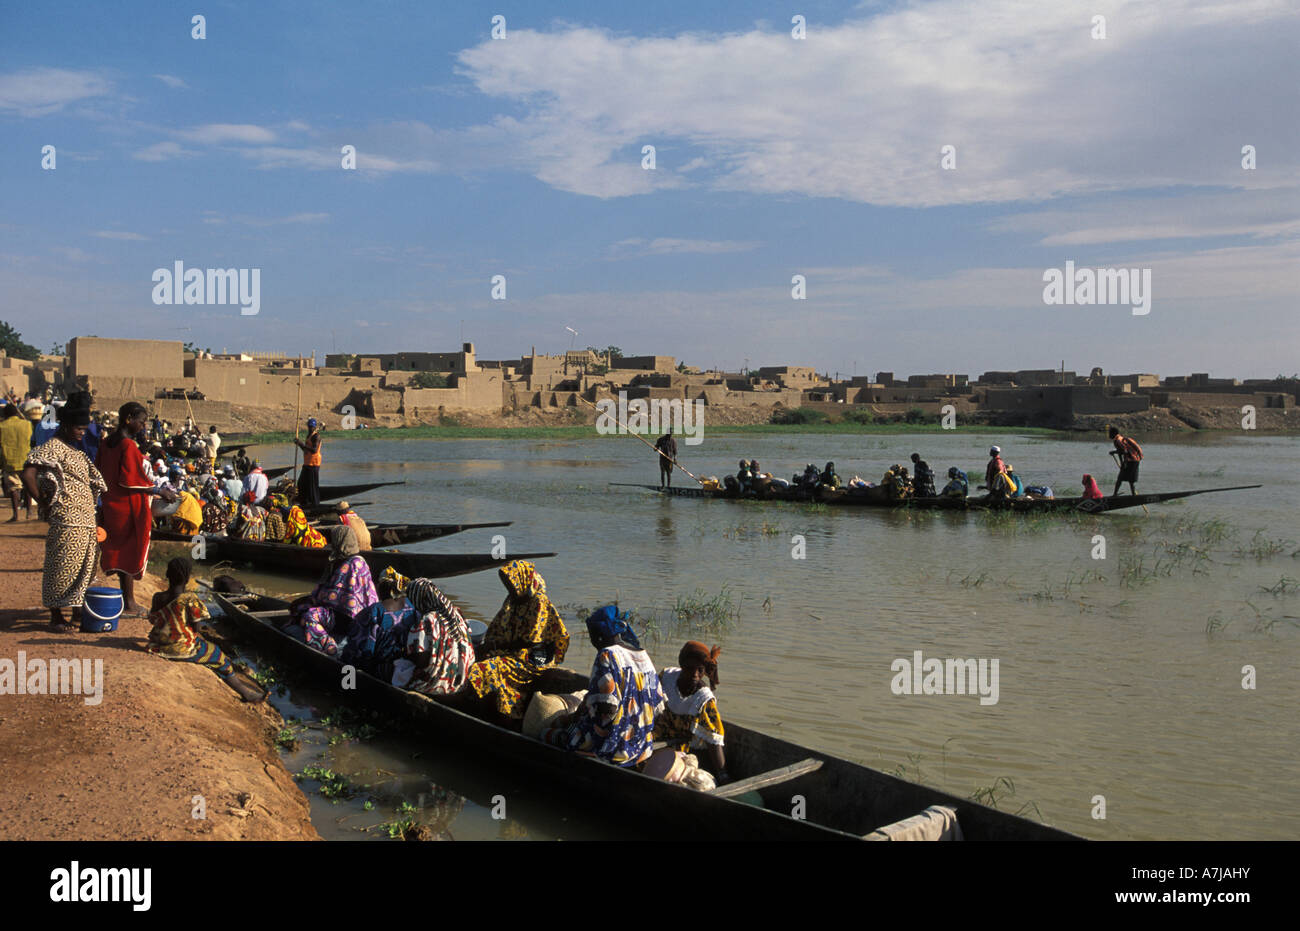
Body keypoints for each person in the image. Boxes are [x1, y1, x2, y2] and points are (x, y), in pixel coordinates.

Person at [20, 393, 107, 631]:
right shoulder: (51, 448)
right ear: (67, 426)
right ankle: (57, 615)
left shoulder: (74, 450)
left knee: (85, 567)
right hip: (67, 519)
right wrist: (44, 502)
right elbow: (27, 474)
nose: (82, 432)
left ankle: (78, 613)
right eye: (79, 428)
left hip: (86, 519)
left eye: (84, 428)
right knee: (60, 566)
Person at [549, 606, 664, 768]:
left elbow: (606, 710)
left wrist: (578, 717)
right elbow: (659, 706)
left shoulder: (607, 655)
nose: (592, 641)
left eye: (592, 636)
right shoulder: (643, 655)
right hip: (643, 746)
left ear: (599, 636)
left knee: (548, 734)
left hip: (613, 749)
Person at [96, 402, 177, 616]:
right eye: (141, 422)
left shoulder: (105, 444)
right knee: (130, 551)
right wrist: (161, 492)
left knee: (118, 548)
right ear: (129, 418)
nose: (143, 426)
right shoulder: (128, 446)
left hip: (110, 504)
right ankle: (130, 603)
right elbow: (131, 480)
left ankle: (127, 599)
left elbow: (100, 472)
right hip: (127, 507)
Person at [147, 557, 265, 702]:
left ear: (167, 574)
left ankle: (247, 693)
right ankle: (247, 694)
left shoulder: (157, 597)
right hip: (181, 648)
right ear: (187, 577)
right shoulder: (190, 599)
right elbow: (197, 627)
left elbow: (152, 619)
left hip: (158, 644)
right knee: (219, 656)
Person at [465, 560, 570, 721]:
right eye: (507, 584)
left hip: (534, 659)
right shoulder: (514, 599)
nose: (509, 588)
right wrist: (487, 647)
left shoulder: (538, 602)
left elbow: (530, 642)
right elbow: (498, 626)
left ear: (522, 580)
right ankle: (490, 706)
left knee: (484, 670)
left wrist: (494, 646)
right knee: (475, 659)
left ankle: (495, 716)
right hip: (514, 652)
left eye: (510, 584)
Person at [289, 525, 379, 655]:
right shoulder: (361, 561)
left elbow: (330, 597)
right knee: (303, 606)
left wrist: (313, 601)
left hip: (345, 619)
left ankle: (328, 645)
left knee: (308, 614)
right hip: (359, 617)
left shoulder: (349, 565)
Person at [654, 641, 728, 780]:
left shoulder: (704, 699)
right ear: (682, 666)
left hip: (680, 748)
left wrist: (723, 774)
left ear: (705, 671)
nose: (695, 674)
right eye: (689, 668)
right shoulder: (667, 677)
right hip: (655, 738)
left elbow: (714, 740)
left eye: (700, 670)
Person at [396, 577, 476, 696]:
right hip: (460, 682)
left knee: (398, 668)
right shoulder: (456, 613)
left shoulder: (427, 620)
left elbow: (422, 660)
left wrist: (405, 655)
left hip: (437, 686)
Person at [0, 399, 33, 521]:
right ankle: (29, 512)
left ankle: (16, 515)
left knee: (14, 488)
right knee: (28, 487)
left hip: (10, 462)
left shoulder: (2, 426)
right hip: (26, 460)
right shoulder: (27, 424)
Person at [293, 418, 323, 506]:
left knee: (312, 486)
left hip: (314, 464)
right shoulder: (308, 436)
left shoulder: (316, 436)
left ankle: (315, 504)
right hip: (307, 464)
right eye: (309, 427)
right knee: (301, 483)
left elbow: (314, 450)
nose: (310, 428)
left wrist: (302, 444)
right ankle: (304, 502)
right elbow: (305, 449)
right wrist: (299, 444)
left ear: (314, 427)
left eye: (312, 427)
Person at [1108, 426, 1143, 496]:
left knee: (1120, 478)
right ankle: (1133, 494)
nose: (1108, 435)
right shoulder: (1121, 439)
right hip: (1136, 460)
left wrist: (1123, 463)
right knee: (1131, 479)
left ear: (1113, 434)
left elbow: (1124, 451)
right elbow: (1121, 451)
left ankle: (1114, 494)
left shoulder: (1117, 440)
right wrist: (1115, 453)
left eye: (1109, 433)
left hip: (1130, 460)